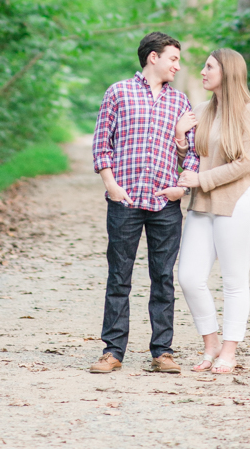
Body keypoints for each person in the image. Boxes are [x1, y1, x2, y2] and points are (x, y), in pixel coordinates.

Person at [89, 30, 199, 375]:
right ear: (154, 57)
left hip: (165, 202)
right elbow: (101, 143)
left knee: (163, 277)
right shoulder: (118, 92)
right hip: (124, 199)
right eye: (173, 59)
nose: (177, 66)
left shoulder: (180, 102)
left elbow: (193, 153)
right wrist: (111, 184)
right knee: (119, 276)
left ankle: (162, 352)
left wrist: (182, 189)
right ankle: (112, 351)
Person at [175, 47, 250, 374]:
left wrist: (202, 179)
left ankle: (229, 350)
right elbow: (191, 160)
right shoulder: (200, 109)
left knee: (234, 280)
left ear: (227, 72)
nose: (202, 71)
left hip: (237, 203)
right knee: (188, 277)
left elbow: (245, 163)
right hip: (202, 203)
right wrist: (180, 140)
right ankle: (210, 343)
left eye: (209, 66)